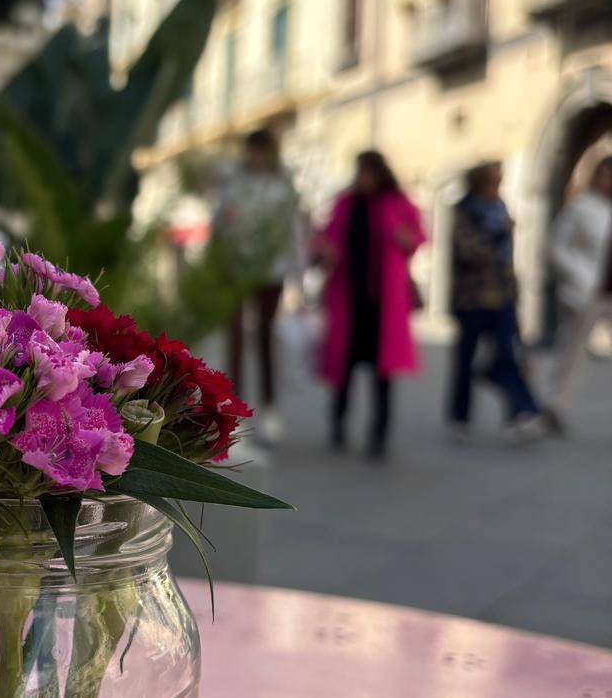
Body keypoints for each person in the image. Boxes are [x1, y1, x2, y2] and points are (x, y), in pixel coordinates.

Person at [315, 150, 425, 459]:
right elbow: (326, 238)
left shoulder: (397, 204)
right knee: (343, 371)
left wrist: (405, 238)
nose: (363, 178)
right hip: (348, 300)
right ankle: (337, 425)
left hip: (382, 305)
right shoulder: (345, 205)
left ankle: (379, 435)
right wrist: (325, 251)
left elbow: (416, 238)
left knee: (382, 376)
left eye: (368, 172)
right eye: (360, 172)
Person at [448, 162, 546, 441]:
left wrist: (515, 290)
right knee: (465, 359)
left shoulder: (499, 208)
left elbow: (506, 260)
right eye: (493, 181)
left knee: (507, 355)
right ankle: (460, 417)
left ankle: (521, 413)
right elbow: (469, 251)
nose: (496, 187)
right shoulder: (465, 211)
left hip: (501, 297)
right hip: (471, 298)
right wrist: (499, 232)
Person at [215, 128, 301, 442]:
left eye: (260, 150)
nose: (255, 156)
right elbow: (221, 224)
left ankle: (270, 406)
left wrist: (298, 276)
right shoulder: (233, 182)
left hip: (271, 270)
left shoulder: (282, 185)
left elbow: (292, 231)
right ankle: (232, 409)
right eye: (251, 149)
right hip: (236, 269)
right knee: (235, 338)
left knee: (266, 336)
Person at [546, 154, 612, 421]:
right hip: (588, 290)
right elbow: (556, 247)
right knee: (571, 352)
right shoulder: (580, 208)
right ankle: (553, 404)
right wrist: (578, 277)